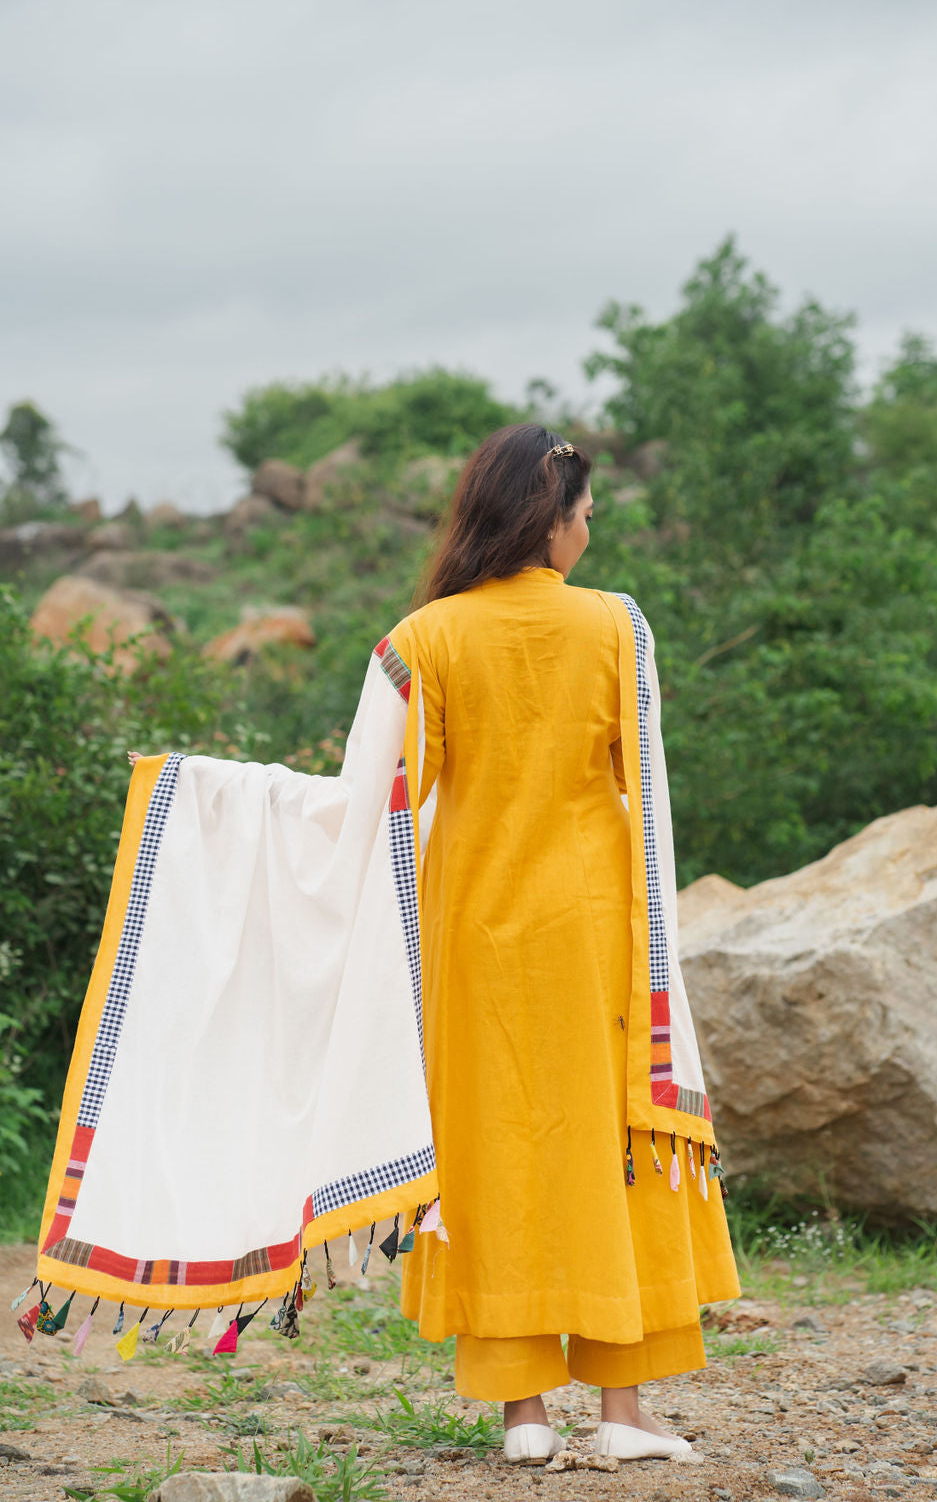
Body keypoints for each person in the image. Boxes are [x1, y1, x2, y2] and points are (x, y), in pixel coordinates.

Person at [115, 421, 739, 1461]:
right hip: (594, 931)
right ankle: (623, 1414)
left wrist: (219, 795)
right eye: (585, 512)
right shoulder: (617, 630)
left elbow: (359, 808)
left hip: (472, 940)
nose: (591, 529)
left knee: (496, 1153)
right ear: (549, 521)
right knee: (608, 1148)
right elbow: (649, 786)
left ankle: (524, 1416)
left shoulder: (420, 641)